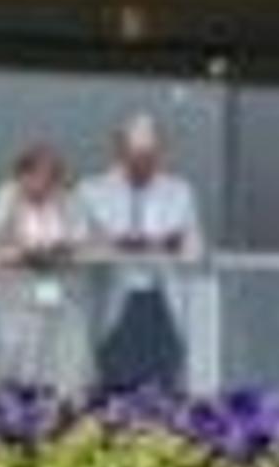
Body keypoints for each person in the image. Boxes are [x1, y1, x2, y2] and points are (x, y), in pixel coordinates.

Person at [74, 110, 202, 394]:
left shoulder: (179, 191)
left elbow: (196, 249)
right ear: (120, 151)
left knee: (164, 382)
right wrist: (116, 245)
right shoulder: (92, 190)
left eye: (150, 158)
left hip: (162, 301)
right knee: (112, 382)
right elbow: (78, 248)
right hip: (112, 301)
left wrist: (166, 245)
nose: (144, 167)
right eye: (137, 159)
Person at [0, 142, 89, 395]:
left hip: (51, 282)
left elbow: (80, 237)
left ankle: (49, 394)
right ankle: (8, 394)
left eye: (50, 177)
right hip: (12, 287)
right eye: (36, 175)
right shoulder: (7, 195)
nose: (42, 183)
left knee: (50, 339)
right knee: (14, 343)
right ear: (22, 175)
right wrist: (19, 250)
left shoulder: (67, 198)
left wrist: (60, 248)